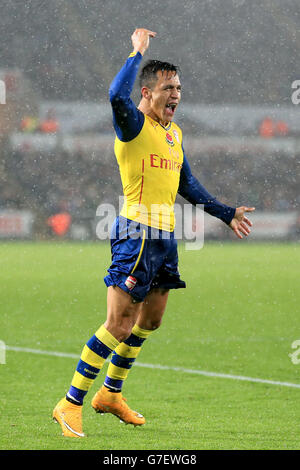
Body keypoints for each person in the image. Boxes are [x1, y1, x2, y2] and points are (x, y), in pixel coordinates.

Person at [53, 28, 255, 438]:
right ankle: (70, 403)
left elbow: (187, 183)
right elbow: (114, 96)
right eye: (168, 88)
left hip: (165, 236)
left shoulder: (174, 134)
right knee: (119, 323)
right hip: (136, 232)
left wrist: (225, 213)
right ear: (146, 93)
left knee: (152, 320)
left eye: (179, 88)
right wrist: (137, 52)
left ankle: (111, 394)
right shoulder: (132, 125)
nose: (176, 95)